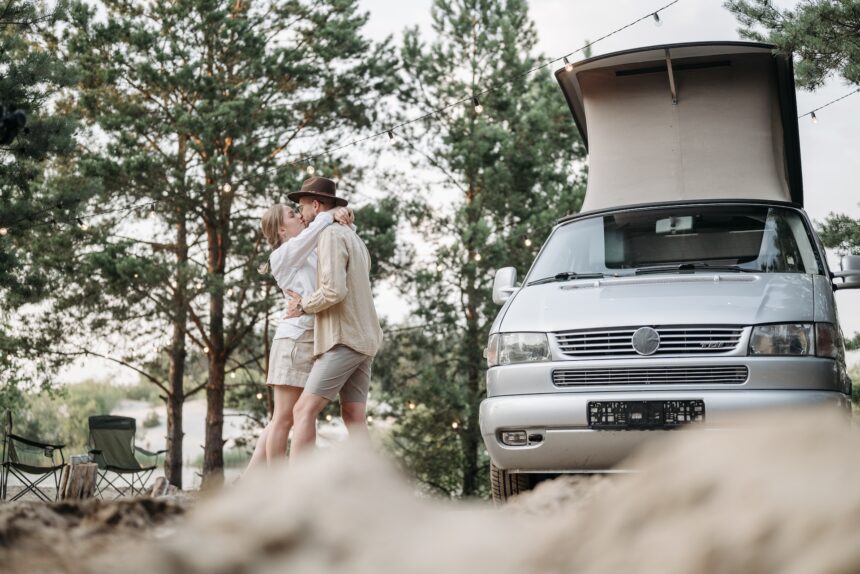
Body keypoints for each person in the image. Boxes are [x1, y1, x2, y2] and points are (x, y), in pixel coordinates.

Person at [245, 196, 353, 471]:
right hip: (293, 341)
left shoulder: (307, 247)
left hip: (312, 337)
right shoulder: (283, 254)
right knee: (283, 417)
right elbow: (316, 229)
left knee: (301, 414)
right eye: (292, 215)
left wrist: (344, 218)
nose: (299, 216)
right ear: (282, 229)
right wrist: (330, 213)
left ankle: (272, 480)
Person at [284, 176, 383, 456]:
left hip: (344, 339)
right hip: (366, 339)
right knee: (353, 416)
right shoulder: (354, 237)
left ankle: (300, 480)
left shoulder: (329, 235)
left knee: (302, 411)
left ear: (315, 206)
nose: (301, 215)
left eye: (302, 207)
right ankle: (371, 478)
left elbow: (334, 290)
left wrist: (302, 305)